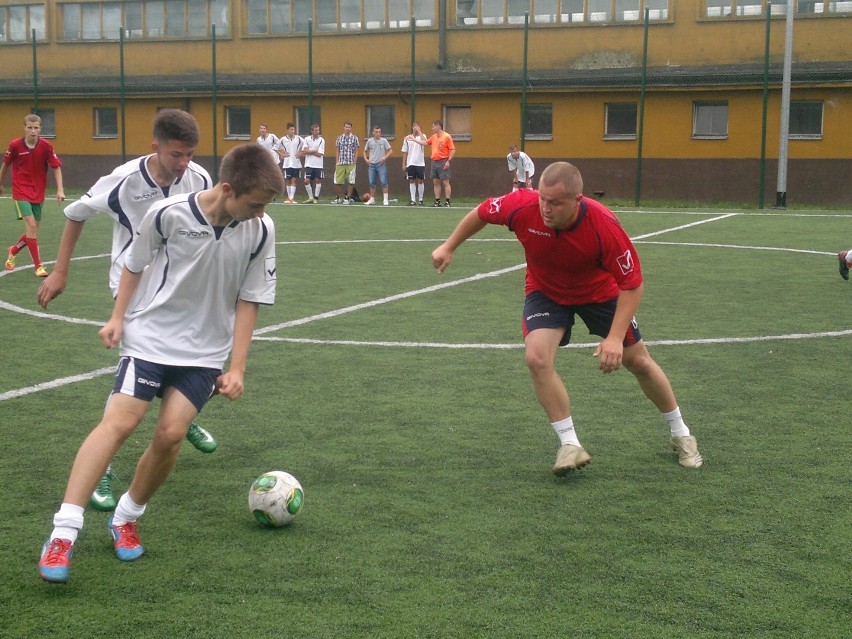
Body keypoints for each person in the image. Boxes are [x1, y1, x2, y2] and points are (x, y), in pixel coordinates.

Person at [37, 143, 284, 584]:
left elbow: (251, 299)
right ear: (227, 189)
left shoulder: (261, 229)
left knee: (170, 435)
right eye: (255, 204)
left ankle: (126, 516)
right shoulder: (169, 213)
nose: (260, 212)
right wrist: (117, 318)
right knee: (120, 423)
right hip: (149, 337)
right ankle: (63, 532)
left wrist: (238, 366)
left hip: (204, 352)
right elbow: (134, 264)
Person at [431, 161, 703, 476]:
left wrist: (614, 338)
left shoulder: (603, 225)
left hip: (600, 294)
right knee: (536, 359)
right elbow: (481, 212)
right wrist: (449, 246)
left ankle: (681, 433)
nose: (546, 208)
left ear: (577, 200)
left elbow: (632, 285)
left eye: (555, 203)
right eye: (543, 199)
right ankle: (570, 444)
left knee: (638, 361)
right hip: (547, 292)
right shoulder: (523, 205)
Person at [36, 109, 218, 512]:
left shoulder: (199, 179)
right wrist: (61, 272)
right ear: (155, 147)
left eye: (190, 154)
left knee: (185, 354)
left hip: (175, 290)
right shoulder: (124, 180)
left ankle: (179, 414)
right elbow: (74, 214)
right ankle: (102, 467)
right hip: (131, 291)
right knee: (133, 373)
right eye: (176, 154)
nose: (184, 164)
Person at [2, 113, 65, 277]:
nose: (33, 131)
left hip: (38, 191)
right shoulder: (15, 145)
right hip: (20, 190)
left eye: (36, 128)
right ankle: (38, 266)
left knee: (33, 231)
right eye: (29, 128)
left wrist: (60, 189)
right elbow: (6, 165)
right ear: (24, 128)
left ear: (40, 128)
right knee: (30, 226)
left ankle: (13, 251)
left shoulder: (46, 146)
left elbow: (56, 167)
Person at [406, 119, 455, 208]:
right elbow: (425, 142)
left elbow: (452, 149)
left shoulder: (447, 136)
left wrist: (448, 161)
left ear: (438, 126)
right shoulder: (434, 137)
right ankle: (437, 201)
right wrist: (414, 139)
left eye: (433, 126)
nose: (432, 128)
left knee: (445, 182)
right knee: (436, 182)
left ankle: (447, 201)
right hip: (434, 161)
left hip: (443, 161)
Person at [363, 125, 392, 206]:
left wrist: (384, 158)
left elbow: (390, 151)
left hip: (381, 164)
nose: (378, 133)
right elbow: (365, 151)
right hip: (372, 165)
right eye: (376, 132)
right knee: (372, 182)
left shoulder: (384, 141)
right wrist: (366, 159)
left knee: (384, 182)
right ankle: (372, 199)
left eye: (379, 132)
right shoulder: (369, 141)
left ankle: (385, 199)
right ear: (373, 133)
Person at [276, 123, 304, 204]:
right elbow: (275, 148)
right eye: (291, 130)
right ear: (287, 130)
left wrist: (300, 153)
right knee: (288, 180)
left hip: (296, 163)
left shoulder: (299, 139)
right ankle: (289, 198)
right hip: (287, 163)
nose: (293, 131)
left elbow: (305, 146)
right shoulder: (282, 139)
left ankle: (292, 197)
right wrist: (281, 154)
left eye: (294, 130)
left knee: (294, 179)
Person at [401, 121, 427, 206]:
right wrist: (404, 164)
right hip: (410, 162)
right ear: (412, 127)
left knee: (420, 180)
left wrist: (419, 131)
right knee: (411, 180)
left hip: (420, 163)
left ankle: (421, 199)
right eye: (415, 127)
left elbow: (426, 142)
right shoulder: (407, 138)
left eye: (418, 127)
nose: (416, 129)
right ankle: (413, 199)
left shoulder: (423, 136)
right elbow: (405, 151)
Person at [334, 121, 360, 205]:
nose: (347, 128)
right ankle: (338, 198)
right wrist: (337, 161)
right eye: (346, 127)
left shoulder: (355, 138)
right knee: (338, 181)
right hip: (341, 162)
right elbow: (337, 150)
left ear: (351, 128)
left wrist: (355, 161)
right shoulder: (339, 138)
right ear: (343, 128)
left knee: (351, 181)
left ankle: (347, 198)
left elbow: (356, 150)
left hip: (351, 163)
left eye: (349, 127)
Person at [300, 123, 325, 203]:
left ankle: (316, 198)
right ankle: (310, 197)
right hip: (308, 164)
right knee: (306, 181)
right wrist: (314, 150)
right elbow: (304, 151)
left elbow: (319, 154)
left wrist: (309, 151)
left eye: (318, 130)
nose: (317, 132)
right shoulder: (307, 139)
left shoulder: (322, 140)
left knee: (318, 180)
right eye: (315, 130)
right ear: (312, 131)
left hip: (318, 165)